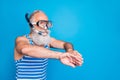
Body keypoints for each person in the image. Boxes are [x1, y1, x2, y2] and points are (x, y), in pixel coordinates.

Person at [14, 10, 83, 80]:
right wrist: (59, 55)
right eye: (41, 23)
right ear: (31, 26)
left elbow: (66, 44)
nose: (45, 27)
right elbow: (25, 49)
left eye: (47, 24)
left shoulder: (47, 41)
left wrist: (70, 50)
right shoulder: (21, 40)